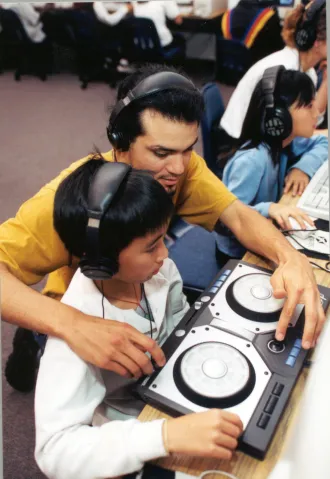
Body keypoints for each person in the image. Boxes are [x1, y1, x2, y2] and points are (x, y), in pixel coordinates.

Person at [0, 64, 325, 395]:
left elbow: (238, 215)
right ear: (120, 143)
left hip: (135, 293)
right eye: (161, 152)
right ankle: (33, 340)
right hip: (75, 307)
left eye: (188, 149)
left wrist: (290, 258)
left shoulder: (181, 165)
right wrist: (70, 324)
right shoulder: (69, 198)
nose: (179, 168)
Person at [34, 158, 243, 479]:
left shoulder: (157, 271)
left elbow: (181, 327)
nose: (165, 255)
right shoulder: (75, 331)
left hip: (166, 398)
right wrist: (164, 436)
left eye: (163, 239)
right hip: (123, 435)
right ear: (101, 261)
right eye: (151, 247)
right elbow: (54, 449)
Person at [214, 66, 328, 260]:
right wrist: (269, 208)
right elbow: (226, 221)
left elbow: (324, 141)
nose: (317, 113)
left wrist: (302, 168)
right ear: (279, 117)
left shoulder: (286, 143)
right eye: (308, 106)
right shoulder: (252, 160)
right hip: (238, 254)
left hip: (265, 235)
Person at [219, 0, 327, 154]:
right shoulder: (286, 72)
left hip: (264, 140)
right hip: (241, 147)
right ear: (318, 42)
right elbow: (288, 133)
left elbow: (314, 117)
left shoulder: (306, 70)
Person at [220, 0, 284, 65]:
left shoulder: (226, 15)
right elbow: (279, 49)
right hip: (257, 70)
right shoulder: (269, 17)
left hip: (229, 69)